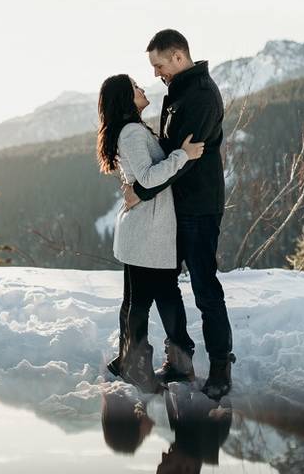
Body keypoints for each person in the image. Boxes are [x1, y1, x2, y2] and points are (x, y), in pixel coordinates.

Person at [122, 29, 236, 399]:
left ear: (177, 57)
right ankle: (179, 361)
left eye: (158, 65)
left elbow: (186, 158)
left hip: (199, 208)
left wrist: (140, 191)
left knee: (205, 289)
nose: (156, 74)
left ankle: (220, 367)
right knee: (167, 287)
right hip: (174, 207)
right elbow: (171, 151)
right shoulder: (178, 91)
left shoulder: (201, 95)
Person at [98, 73, 203, 393]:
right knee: (150, 299)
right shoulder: (131, 132)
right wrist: (183, 155)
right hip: (147, 229)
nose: (142, 89)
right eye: (135, 88)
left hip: (144, 227)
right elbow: (147, 178)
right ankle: (143, 366)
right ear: (125, 99)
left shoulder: (132, 130)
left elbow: (140, 180)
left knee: (137, 300)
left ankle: (129, 361)